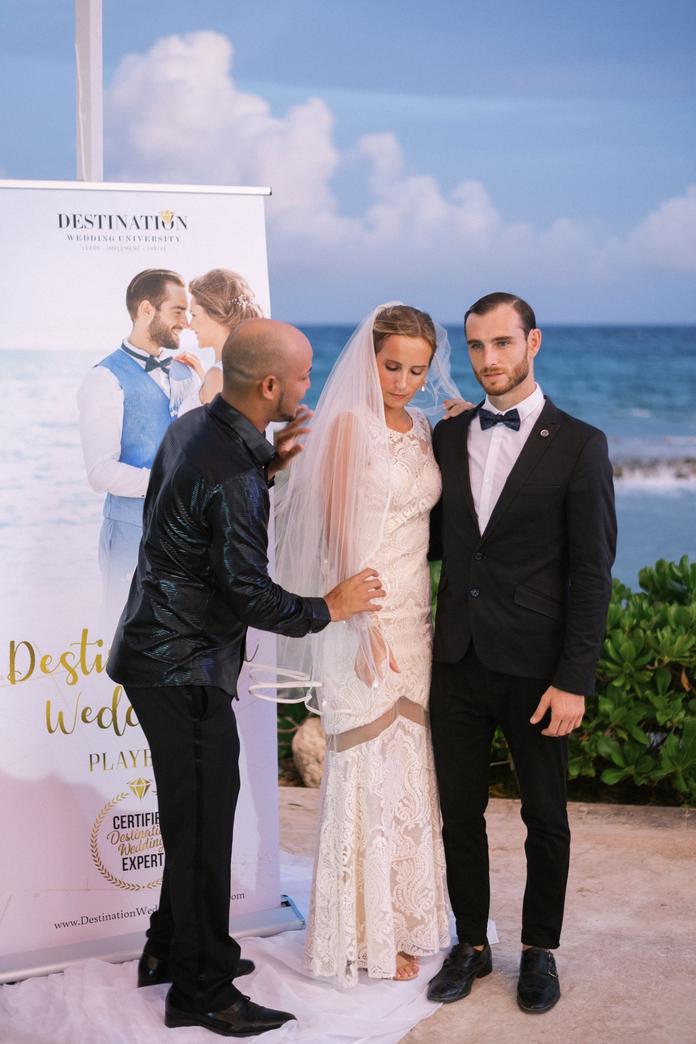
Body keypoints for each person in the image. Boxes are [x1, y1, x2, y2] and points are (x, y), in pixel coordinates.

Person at [106, 319, 385, 1037]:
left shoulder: (196, 428)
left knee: (195, 820)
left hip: (159, 655)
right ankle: (200, 992)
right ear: (269, 385)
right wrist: (330, 606)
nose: (309, 386)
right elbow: (249, 593)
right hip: (184, 668)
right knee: (203, 831)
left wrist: (269, 464)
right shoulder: (233, 471)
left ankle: (168, 950)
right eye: (302, 376)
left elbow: (196, 509)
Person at [426, 292, 617, 1014]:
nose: (489, 360)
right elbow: (433, 541)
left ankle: (540, 950)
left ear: (532, 343)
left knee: (546, 816)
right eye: (476, 346)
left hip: (538, 669)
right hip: (456, 659)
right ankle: (471, 943)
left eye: (502, 343)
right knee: (459, 813)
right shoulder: (449, 436)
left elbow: (592, 572)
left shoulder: (581, 444)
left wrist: (575, 680)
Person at [274, 303, 471, 985]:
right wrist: (355, 619)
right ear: (369, 359)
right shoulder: (347, 426)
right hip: (361, 615)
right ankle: (360, 934)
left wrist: (462, 423)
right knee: (363, 765)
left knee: (409, 765)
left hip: (416, 618)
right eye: (392, 367)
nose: (404, 383)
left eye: (417, 371)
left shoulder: (424, 427)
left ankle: (409, 919)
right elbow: (328, 529)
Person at [77, 268, 201, 621]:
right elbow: (100, 473)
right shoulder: (103, 379)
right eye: (178, 311)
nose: (187, 322)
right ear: (147, 309)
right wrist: (168, 484)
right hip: (131, 538)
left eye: (188, 312)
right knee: (124, 634)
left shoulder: (188, 374)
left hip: (186, 538)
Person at [187, 268, 263, 404]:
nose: (189, 325)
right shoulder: (236, 371)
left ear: (215, 315)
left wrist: (210, 379)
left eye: (194, 314)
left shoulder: (217, 376)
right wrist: (204, 379)